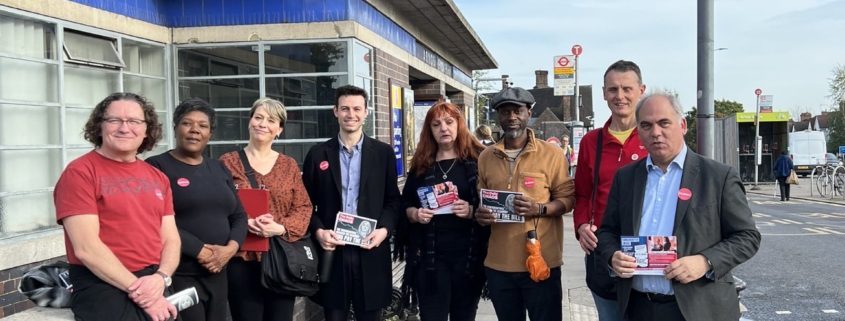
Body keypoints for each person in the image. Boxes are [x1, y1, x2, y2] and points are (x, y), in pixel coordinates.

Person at [596, 92, 761, 321]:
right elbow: (607, 231)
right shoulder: (625, 178)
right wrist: (613, 256)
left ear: (682, 125)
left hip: (697, 309)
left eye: (664, 123)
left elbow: (747, 237)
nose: (656, 133)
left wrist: (705, 262)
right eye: (646, 125)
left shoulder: (718, 176)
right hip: (637, 308)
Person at [54, 92, 180, 321]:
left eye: (134, 121)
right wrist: (143, 292)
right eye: (114, 120)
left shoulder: (158, 177)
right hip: (102, 283)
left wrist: (162, 277)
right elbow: (86, 248)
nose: (124, 128)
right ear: (99, 127)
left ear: (146, 129)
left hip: (153, 280)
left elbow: (171, 238)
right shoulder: (80, 173)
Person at [475, 87, 575, 321]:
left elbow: (569, 200)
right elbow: (482, 199)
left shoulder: (552, 154)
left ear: (529, 113)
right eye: (505, 112)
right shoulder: (486, 157)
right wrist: (480, 215)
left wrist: (540, 208)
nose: (512, 117)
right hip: (499, 264)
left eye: (518, 111)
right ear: (497, 116)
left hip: (541, 261)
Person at [302, 85, 401, 321]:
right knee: (334, 316)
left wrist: (384, 231)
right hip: (332, 250)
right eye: (345, 108)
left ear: (366, 112)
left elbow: (392, 200)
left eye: (357, 108)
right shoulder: (317, 154)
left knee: (370, 316)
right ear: (335, 111)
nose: (351, 114)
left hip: (370, 249)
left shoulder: (383, 153)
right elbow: (304, 204)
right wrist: (318, 231)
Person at [146, 98, 248, 321]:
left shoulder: (219, 167)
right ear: (175, 128)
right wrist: (202, 251)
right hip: (181, 274)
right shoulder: (156, 167)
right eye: (187, 123)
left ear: (210, 134)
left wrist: (231, 249)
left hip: (219, 273)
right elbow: (154, 220)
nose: (194, 130)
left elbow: (239, 214)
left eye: (203, 126)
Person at [219, 97, 313, 321]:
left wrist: (279, 228)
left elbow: (303, 207)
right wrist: (243, 223)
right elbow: (218, 206)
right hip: (241, 258)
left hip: (280, 258)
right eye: (258, 117)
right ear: (250, 121)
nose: (262, 123)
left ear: (279, 129)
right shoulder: (227, 162)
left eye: (271, 120)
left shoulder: (288, 165)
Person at [396, 102, 490, 321]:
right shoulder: (422, 163)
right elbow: (405, 206)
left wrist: (471, 211)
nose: (443, 129)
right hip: (430, 261)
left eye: (449, 122)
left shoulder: (479, 160)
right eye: (436, 124)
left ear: (459, 125)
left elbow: (491, 204)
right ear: (430, 130)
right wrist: (416, 214)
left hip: (468, 259)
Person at [573, 60, 650, 321]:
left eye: (627, 89)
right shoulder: (590, 142)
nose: (620, 96)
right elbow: (582, 194)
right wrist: (582, 225)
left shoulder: (654, 137)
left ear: (641, 90)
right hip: (604, 250)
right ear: (604, 93)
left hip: (647, 246)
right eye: (613, 89)